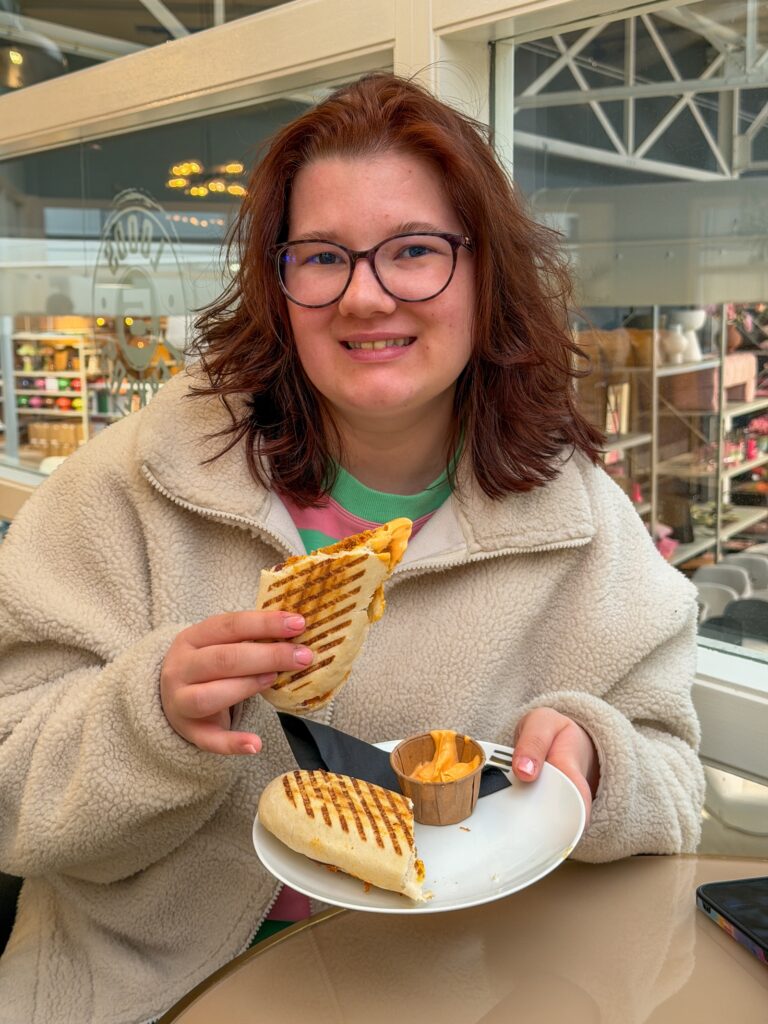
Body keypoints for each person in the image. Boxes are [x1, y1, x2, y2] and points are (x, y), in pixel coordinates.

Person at [0, 73, 704, 1024]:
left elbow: (673, 784)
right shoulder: (132, 485)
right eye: (323, 257)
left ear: (484, 270)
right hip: (142, 996)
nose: (366, 298)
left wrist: (595, 762)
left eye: (414, 251)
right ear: (278, 285)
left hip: (449, 998)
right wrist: (149, 715)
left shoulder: (578, 524)